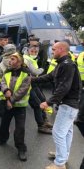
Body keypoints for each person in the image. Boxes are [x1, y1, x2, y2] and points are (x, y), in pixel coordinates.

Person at [32, 41, 81, 169]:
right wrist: (32, 79)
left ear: (61, 49)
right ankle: (63, 155)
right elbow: (49, 77)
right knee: (67, 132)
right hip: (69, 104)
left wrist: (48, 102)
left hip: (68, 105)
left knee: (58, 132)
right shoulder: (62, 64)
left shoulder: (67, 65)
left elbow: (64, 88)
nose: (52, 52)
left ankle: (59, 164)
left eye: (53, 49)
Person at [0, 52, 31, 162]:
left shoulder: (26, 73)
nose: (10, 61)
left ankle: (21, 148)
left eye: (13, 59)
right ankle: (2, 138)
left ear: (19, 61)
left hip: (19, 106)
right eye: (10, 59)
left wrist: (11, 100)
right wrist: (5, 90)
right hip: (7, 102)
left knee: (20, 128)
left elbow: (23, 90)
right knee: (4, 123)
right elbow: (3, 82)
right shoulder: (8, 70)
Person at [23, 45, 53, 134]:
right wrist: (43, 68)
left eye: (36, 52)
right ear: (28, 51)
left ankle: (45, 121)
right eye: (32, 51)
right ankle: (41, 126)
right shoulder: (25, 59)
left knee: (43, 100)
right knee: (37, 104)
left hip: (34, 82)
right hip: (27, 85)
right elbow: (35, 71)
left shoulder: (33, 59)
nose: (34, 53)